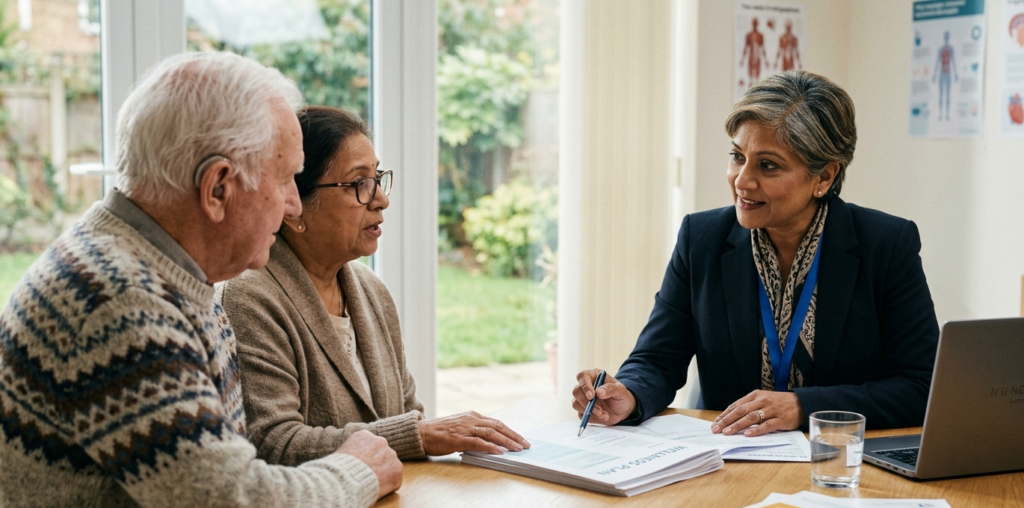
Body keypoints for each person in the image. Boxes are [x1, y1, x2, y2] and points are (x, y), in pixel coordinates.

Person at [0, 52, 402, 507]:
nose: (293, 205)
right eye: (286, 178)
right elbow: (231, 499)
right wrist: (359, 468)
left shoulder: (168, 277)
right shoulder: (119, 304)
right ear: (217, 189)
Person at [571, 71, 939, 437]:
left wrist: (803, 406)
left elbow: (921, 387)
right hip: (728, 460)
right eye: (737, 156)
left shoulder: (887, 244)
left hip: (836, 461)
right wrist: (629, 393)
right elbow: (657, 359)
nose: (742, 181)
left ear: (824, 177)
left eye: (768, 165)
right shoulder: (701, 239)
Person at [216, 106, 529, 466]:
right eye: (359, 184)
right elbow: (274, 443)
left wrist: (425, 436)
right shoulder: (248, 298)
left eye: (378, 178)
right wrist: (417, 436)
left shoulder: (371, 290)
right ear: (294, 206)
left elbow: (409, 412)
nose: (381, 199)